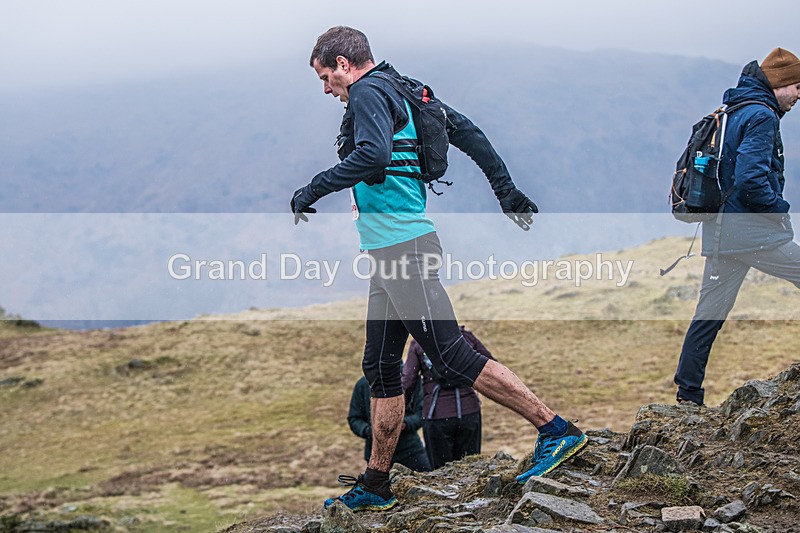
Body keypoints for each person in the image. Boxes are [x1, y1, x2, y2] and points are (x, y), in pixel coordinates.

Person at [293, 26, 587, 512]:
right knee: (382, 369)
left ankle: (556, 430)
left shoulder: (368, 91)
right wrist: (506, 191)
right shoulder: (404, 88)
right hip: (390, 253)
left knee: (450, 356)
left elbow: (373, 155)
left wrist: (312, 189)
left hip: (404, 249)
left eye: (326, 77)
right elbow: (469, 132)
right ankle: (376, 482)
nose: (327, 89)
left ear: (344, 64)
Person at [674, 47, 800, 406]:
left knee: (708, 315)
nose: (799, 95)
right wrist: (781, 210)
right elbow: (751, 180)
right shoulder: (762, 116)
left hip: (720, 234)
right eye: (796, 86)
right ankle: (689, 393)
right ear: (779, 84)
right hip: (753, 233)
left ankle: (688, 394)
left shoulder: (733, 111)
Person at [402, 325, 493, 470]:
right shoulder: (465, 337)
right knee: (470, 469)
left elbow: (407, 381)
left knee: (441, 472)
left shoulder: (419, 342)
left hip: (436, 416)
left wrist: (403, 408)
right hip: (469, 413)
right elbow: (490, 366)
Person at [348, 375, 432, 472]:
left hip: (411, 452)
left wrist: (404, 424)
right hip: (376, 456)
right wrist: (370, 431)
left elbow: (422, 413)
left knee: (427, 482)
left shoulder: (411, 379)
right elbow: (354, 419)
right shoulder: (363, 384)